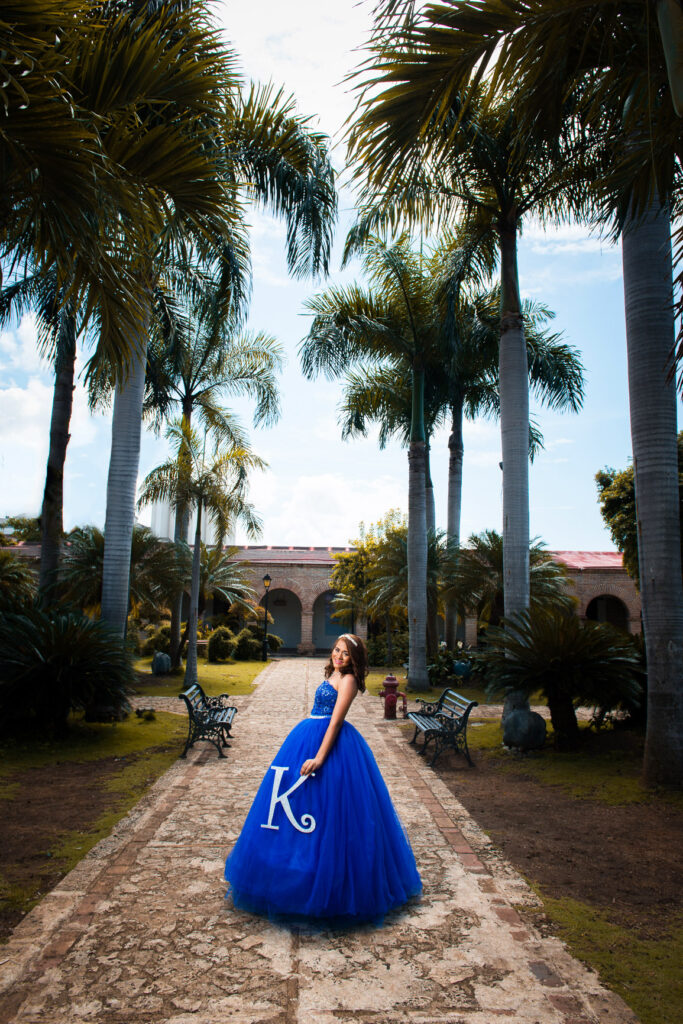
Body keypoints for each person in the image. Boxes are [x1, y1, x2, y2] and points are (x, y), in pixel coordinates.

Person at [224, 633, 422, 925]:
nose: (338, 656)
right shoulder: (335, 674)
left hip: (330, 745)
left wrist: (320, 757)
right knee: (298, 806)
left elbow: (336, 721)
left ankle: (331, 882)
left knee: (333, 814)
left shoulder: (349, 680)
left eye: (345, 653)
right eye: (336, 650)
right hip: (306, 736)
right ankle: (294, 869)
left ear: (354, 659)